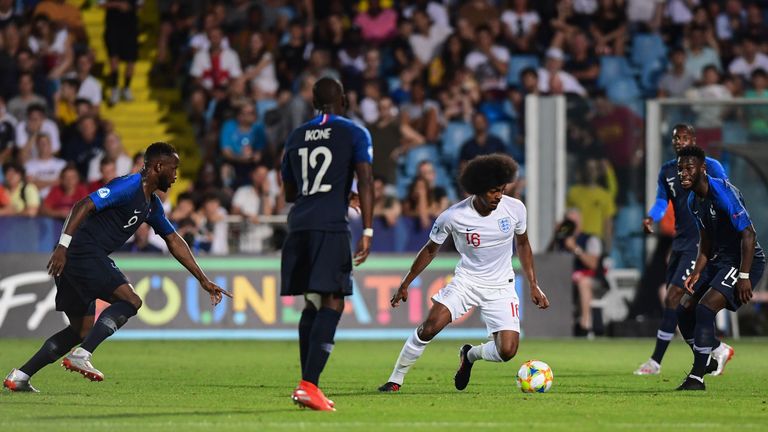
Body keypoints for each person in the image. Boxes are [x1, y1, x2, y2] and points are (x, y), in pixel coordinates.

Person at [3, 142, 230, 392]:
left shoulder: (151, 205)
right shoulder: (128, 185)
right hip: (81, 253)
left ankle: (20, 376)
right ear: (158, 166)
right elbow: (83, 205)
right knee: (131, 301)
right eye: (174, 168)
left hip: (75, 259)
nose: (176, 176)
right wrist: (62, 246)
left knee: (80, 330)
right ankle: (83, 354)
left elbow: (173, 239)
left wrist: (202, 278)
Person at [378, 154, 549, 393]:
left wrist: (533, 283)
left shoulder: (515, 209)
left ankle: (470, 355)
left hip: (501, 285)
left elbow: (523, 244)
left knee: (507, 351)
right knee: (430, 326)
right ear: (478, 190)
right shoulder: (453, 216)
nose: (499, 196)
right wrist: (406, 282)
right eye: (493, 191)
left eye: (501, 190)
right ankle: (395, 379)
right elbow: (430, 250)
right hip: (466, 281)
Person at [280, 77, 373, 411]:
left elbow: (291, 192)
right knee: (333, 302)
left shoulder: (296, 135)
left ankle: (307, 387)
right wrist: (369, 229)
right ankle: (309, 384)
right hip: (330, 227)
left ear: (313, 102)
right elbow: (365, 178)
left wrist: (330, 192)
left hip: (300, 224)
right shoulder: (353, 132)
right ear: (344, 100)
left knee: (313, 302)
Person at [634, 124, 731, 376]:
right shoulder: (668, 170)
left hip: (700, 241)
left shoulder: (711, 165)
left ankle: (656, 361)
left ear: (693, 140)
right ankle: (716, 348)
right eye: (676, 138)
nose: (679, 142)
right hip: (679, 241)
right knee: (676, 301)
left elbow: (726, 194)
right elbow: (660, 201)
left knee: (673, 298)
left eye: (684, 137)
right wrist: (651, 218)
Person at [676, 145, 765, 390]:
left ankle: (696, 377)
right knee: (683, 310)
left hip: (744, 260)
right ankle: (714, 351)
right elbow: (705, 241)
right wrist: (696, 271)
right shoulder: (694, 199)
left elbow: (749, 234)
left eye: (689, 168)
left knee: (705, 309)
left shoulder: (723, 193)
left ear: (702, 169)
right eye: (680, 169)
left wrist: (744, 276)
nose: (683, 173)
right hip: (719, 260)